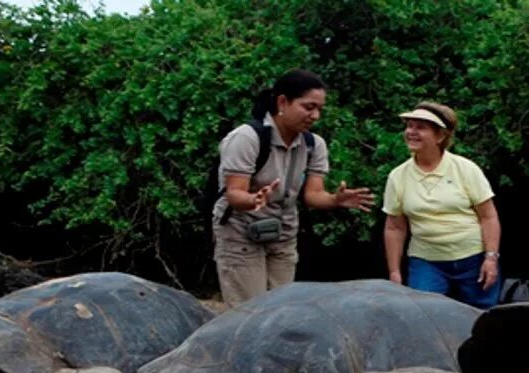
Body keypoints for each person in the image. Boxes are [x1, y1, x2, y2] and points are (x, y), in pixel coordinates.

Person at [213, 69, 375, 307]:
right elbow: (234, 193)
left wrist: (335, 200)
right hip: (241, 233)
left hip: (283, 233)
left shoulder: (313, 144)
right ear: (282, 102)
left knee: (283, 310)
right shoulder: (247, 137)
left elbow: (313, 195)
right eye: (308, 107)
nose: (315, 115)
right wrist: (254, 199)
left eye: (319, 109)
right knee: (247, 313)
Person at [382, 102, 501, 309]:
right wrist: (394, 272)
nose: (411, 132)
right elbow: (394, 226)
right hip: (426, 260)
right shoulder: (397, 176)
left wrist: (491, 258)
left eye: (420, 127)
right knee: (423, 314)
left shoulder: (465, 168)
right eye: (409, 126)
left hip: (472, 257)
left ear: (440, 136)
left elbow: (488, 216)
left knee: (483, 317)